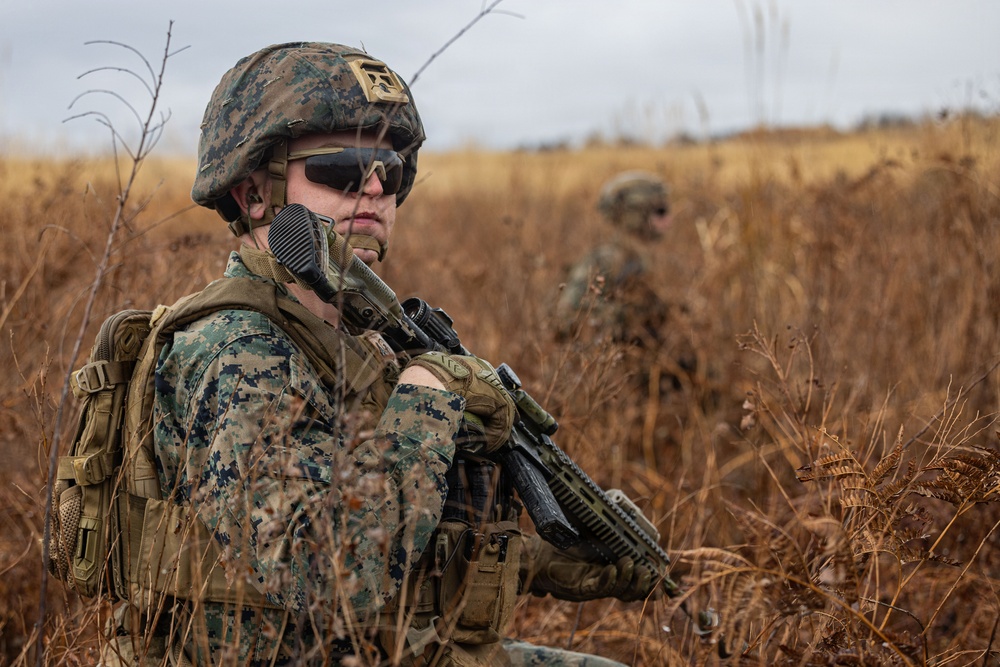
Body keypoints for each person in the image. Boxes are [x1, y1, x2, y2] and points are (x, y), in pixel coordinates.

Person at [101, 42, 660, 667]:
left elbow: (407, 538)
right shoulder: (233, 350)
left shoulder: (360, 340)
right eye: (341, 167)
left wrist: (558, 564)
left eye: (391, 172)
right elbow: (330, 571)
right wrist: (426, 394)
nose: (373, 189)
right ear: (253, 193)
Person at [555, 171, 674, 346]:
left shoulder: (651, 258)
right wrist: (625, 320)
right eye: (660, 212)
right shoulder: (606, 260)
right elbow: (566, 318)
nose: (668, 220)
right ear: (634, 213)